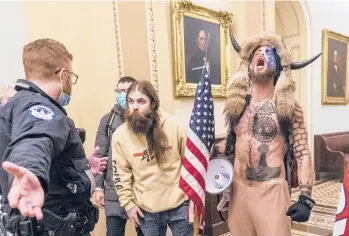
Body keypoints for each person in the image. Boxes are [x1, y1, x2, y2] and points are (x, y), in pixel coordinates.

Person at [0, 38, 107, 236]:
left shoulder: (15, 105)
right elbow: (34, 140)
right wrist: (30, 171)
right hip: (53, 226)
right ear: (63, 74)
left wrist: (81, 167)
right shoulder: (39, 109)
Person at [219, 31, 321, 235]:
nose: (262, 54)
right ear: (249, 64)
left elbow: (302, 153)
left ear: (278, 66)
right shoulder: (238, 104)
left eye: (269, 52)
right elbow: (231, 147)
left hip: (271, 192)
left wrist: (305, 198)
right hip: (239, 192)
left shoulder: (289, 106)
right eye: (257, 51)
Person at [112, 80, 193, 236]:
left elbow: (189, 163)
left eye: (141, 101)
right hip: (146, 209)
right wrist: (128, 204)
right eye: (131, 101)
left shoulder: (175, 126)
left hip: (179, 203)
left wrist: (192, 197)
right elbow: (120, 174)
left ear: (153, 104)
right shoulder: (120, 135)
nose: (135, 106)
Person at [94, 76, 144, 236]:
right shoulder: (107, 120)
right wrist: (97, 187)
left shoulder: (145, 120)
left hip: (141, 190)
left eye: (126, 91)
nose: (122, 94)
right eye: (119, 91)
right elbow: (100, 156)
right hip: (113, 190)